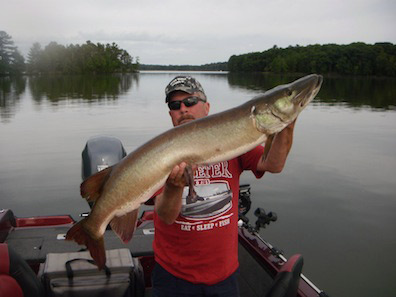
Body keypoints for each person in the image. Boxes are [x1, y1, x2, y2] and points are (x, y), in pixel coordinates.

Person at [152, 76, 296, 297]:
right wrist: (173, 188)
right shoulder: (161, 153)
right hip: (174, 276)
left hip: (224, 275)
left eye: (190, 101)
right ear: (170, 113)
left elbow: (274, 164)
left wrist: (286, 123)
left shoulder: (235, 140)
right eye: (175, 105)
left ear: (207, 107)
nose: (183, 109)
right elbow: (166, 216)